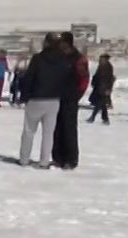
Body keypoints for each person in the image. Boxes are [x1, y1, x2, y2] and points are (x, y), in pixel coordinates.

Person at [20, 35, 68, 167]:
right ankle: (44, 161)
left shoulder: (38, 59)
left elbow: (30, 78)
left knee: (29, 131)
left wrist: (25, 95)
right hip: (53, 100)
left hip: (36, 98)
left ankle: (24, 159)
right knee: (48, 133)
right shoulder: (62, 60)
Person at [50, 32, 84, 169]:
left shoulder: (78, 58)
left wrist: (77, 95)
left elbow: (83, 79)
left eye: (62, 42)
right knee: (57, 128)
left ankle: (71, 159)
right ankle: (58, 158)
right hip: (56, 96)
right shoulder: (57, 57)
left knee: (69, 129)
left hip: (70, 98)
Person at [88, 54, 115, 124]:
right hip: (99, 88)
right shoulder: (101, 66)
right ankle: (105, 119)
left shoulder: (108, 67)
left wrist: (108, 89)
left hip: (104, 88)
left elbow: (110, 79)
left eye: (102, 59)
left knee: (99, 104)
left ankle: (92, 117)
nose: (100, 60)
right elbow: (97, 76)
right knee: (102, 105)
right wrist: (94, 82)